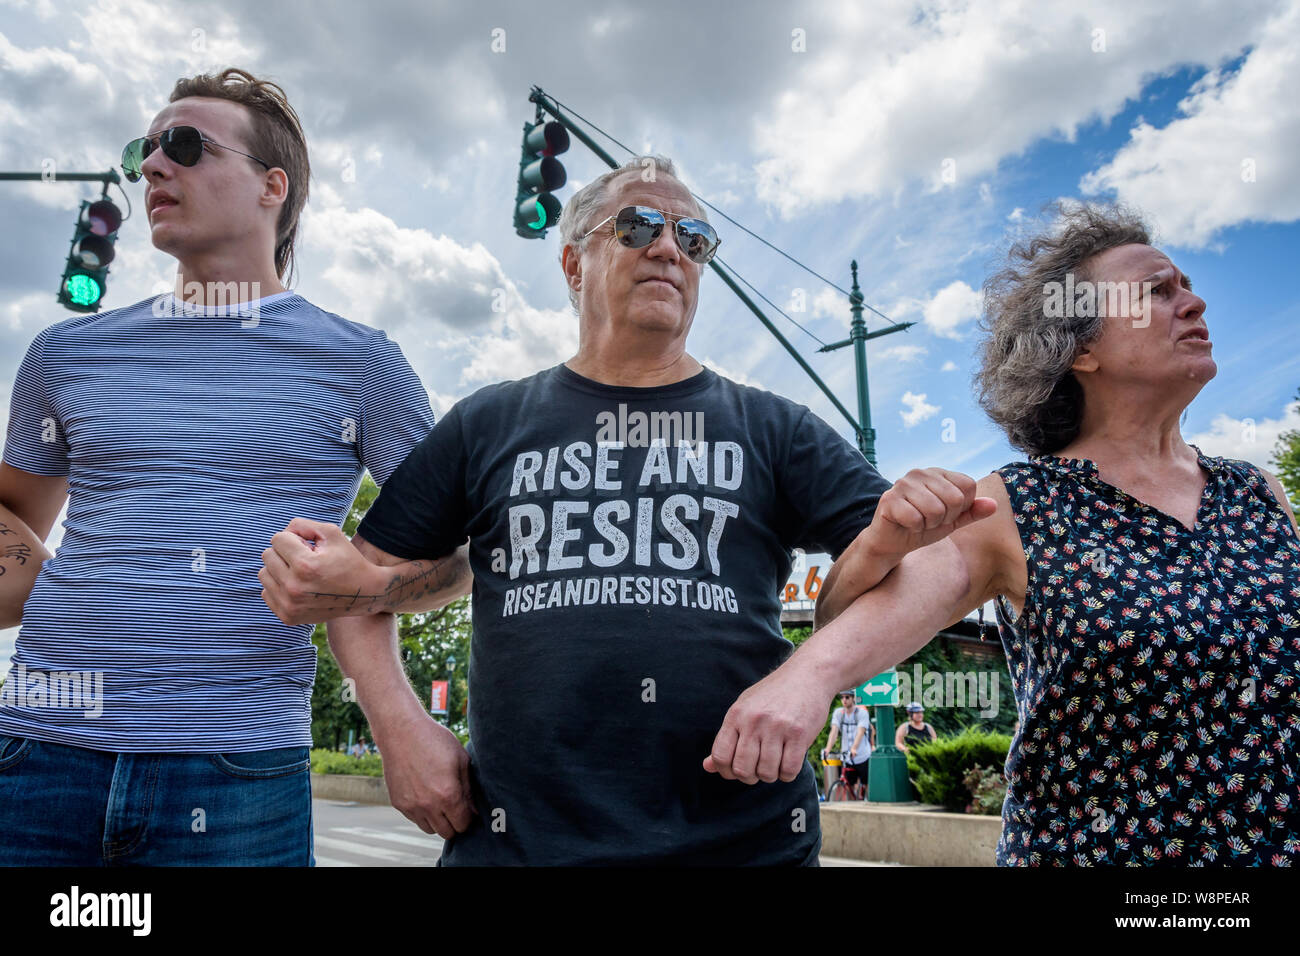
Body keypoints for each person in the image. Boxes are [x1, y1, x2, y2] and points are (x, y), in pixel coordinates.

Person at [262, 155, 992, 865]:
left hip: (745, 845)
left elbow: (931, 571)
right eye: (639, 226)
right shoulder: (485, 423)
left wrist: (811, 676)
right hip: (518, 847)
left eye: (694, 238)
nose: (670, 248)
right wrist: (400, 729)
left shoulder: (777, 428)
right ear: (574, 265)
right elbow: (359, 588)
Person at [0, 68, 467, 867]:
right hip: (38, 756)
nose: (152, 167)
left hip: (238, 772)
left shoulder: (361, 366)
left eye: (183, 145)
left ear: (270, 187)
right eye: (142, 150)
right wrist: (105, 585)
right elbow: (12, 530)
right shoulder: (63, 354)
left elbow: (463, 554)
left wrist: (375, 589)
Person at [803, 202, 1300, 866]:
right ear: (1082, 347)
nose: (1194, 302)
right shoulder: (1011, 506)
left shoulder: (1260, 494)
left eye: (1186, 286)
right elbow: (843, 646)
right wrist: (880, 543)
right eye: (1157, 292)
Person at [823, 690, 874, 796]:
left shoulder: (862, 713)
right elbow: (834, 732)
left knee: (867, 783)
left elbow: (861, 731)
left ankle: (868, 800)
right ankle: (855, 801)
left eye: (847, 697)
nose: (844, 700)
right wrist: (827, 749)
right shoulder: (838, 713)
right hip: (847, 756)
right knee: (850, 783)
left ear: (853, 698)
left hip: (862, 754)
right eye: (842, 698)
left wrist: (854, 748)